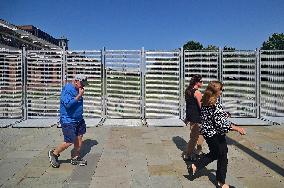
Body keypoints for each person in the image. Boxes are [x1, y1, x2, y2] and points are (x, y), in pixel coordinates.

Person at [190, 81, 246, 188]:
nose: (222, 92)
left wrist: (223, 114)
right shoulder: (215, 104)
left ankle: (195, 166)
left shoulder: (206, 101)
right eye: (221, 90)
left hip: (207, 133)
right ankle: (221, 183)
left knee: (216, 153)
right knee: (223, 155)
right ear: (216, 91)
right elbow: (221, 124)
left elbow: (211, 117)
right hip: (216, 135)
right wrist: (237, 128)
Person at [48, 74, 89, 168]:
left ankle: (75, 157)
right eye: (82, 83)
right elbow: (68, 105)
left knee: (79, 138)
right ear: (75, 81)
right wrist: (79, 96)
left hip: (78, 119)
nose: (84, 86)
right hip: (68, 120)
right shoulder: (67, 89)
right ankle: (54, 153)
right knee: (69, 141)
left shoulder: (78, 88)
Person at [182, 74, 204, 161]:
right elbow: (202, 106)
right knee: (194, 137)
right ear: (197, 82)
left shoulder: (188, 90)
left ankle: (198, 151)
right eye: (201, 81)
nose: (202, 83)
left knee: (200, 134)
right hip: (197, 117)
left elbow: (190, 105)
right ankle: (188, 154)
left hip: (191, 116)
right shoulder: (197, 92)